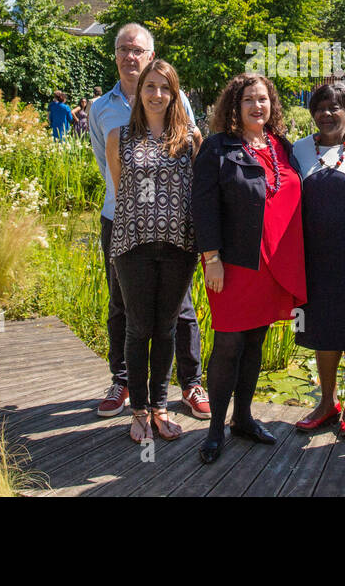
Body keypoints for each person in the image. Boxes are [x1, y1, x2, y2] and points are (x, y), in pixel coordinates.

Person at [88, 24, 210, 420]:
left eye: (137, 49)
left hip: (176, 236)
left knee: (180, 311)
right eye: (123, 49)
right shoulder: (102, 110)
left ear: (149, 54)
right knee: (122, 306)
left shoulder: (183, 124)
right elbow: (111, 171)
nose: (129, 55)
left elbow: (196, 177)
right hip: (123, 223)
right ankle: (123, 383)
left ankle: (189, 384)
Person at [191, 73, 306, 464]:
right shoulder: (217, 148)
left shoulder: (282, 146)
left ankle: (243, 418)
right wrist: (212, 258)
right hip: (234, 265)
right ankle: (214, 430)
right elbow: (203, 208)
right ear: (234, 108)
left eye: (264, 99)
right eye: (249, 100)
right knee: (228, 344)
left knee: (255, 341)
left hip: (272, 265)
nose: (258, 106)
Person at [107, 60, 202, 444]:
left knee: (165, 329)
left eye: (165, 88)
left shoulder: (190, 138)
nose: (157, 94)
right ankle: (139, 412)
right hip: (133, 245)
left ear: (174, 94)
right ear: (139, 91)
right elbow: (121, 190)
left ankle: (161, 408)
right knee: (137, 327)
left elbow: (198, 194)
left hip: (179, 246)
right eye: (151, 86)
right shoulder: (120, 136)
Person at [291, 82, 345, 438]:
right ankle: (327, 403)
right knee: (321, 330)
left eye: (336, 107)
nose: (327, 114)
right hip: (313, 258)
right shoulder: (297, 149)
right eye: (320, 107)